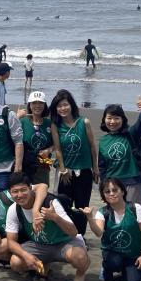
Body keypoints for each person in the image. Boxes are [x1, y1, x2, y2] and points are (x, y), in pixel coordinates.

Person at [4, 172, 90, 281]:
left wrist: (55, 217)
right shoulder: (14, 209)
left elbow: (73, 232)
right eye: (15, 191)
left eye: (23, 190)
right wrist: (26, 256)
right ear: (10, 193)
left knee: (79, 257)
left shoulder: (49, 203)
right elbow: (11, 242)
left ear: (31, 188)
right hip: (40, 245)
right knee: (16, 262)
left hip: (64, 243)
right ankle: (45, 267)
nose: (20, 195)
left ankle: (80, 275)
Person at [82, 178, 141, 281]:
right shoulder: (103, 212)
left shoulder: (136, 208)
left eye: (115, 190)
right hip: (113, 252)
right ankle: (107, 268)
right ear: (103, 196)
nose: (112, 194)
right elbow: (98, 233)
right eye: (107, 192)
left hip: (132, 254)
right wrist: (90, 218)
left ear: (122, 191)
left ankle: (128, 271)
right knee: (112, 265)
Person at [50, 89, 99, 236]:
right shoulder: (56, 125)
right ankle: (66, 234)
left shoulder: (84, 122)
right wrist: (63, 169)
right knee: (63, 204)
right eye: (59, 106)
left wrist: (95, 168)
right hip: (66, 172)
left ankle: (80, 236)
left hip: (84, 170)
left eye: (65, 105)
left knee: (82, 205)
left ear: (71, 105)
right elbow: (58, 150)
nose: (63, 109)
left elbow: (92, 146)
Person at [98, 97, 141, 208]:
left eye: (116, 118)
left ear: (122, 119)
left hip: (132, 181)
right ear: (104, 119)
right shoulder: (103, 141)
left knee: (135, 214)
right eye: (109, 118)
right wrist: (103, 188)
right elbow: (102, 167)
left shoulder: (130, 134)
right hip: (113, 184)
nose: (112, 122)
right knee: (116, 216)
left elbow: (140, 125)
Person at [16, 91, 53, 186]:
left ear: (45, 105)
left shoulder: (49, 123)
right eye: (34, 103)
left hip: (43, 164)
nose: (37, 106)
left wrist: (49, 150)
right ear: (29, 105)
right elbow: (8, 137)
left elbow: (57, 143)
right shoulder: (22, 121)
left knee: (42, 192)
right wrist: (16, 117)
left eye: (40, 103)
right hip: (25, 164)